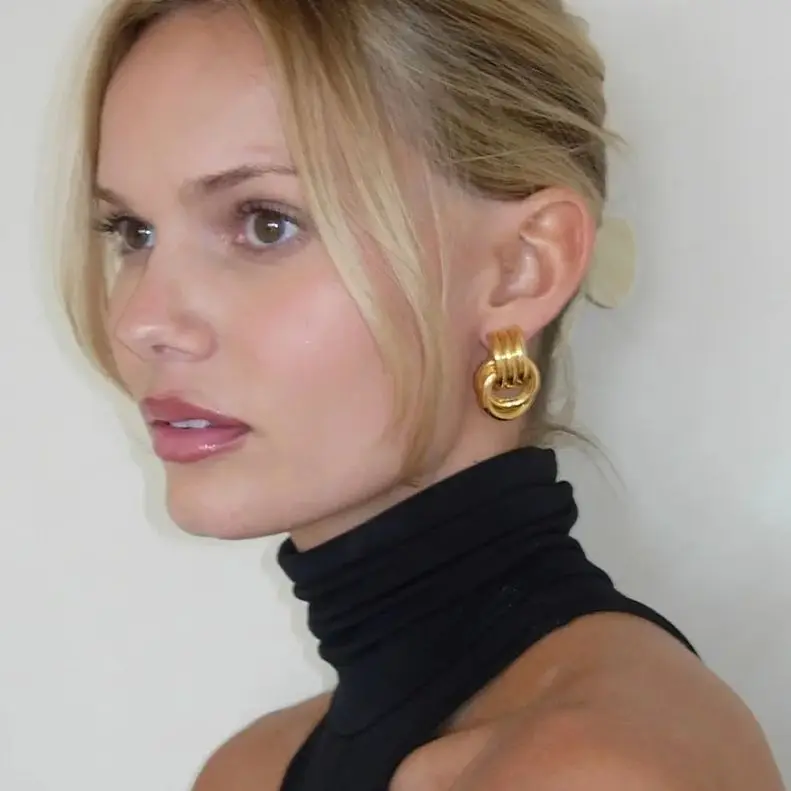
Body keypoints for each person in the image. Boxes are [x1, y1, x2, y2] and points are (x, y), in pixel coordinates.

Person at [58, 0, 785, 789]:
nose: (142, 321)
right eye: (132, 232)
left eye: (265, 223)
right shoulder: (247, 770)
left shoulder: (598, 769)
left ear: (520, 268)